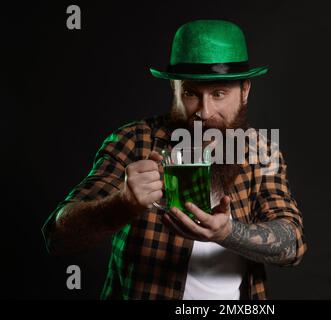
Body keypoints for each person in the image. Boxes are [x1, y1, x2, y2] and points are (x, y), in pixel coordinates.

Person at [42, 19, 307, 300]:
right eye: (191, 93)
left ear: (245, 92)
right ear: (174, 89)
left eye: (219, 94)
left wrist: (228, 233)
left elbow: (293, 243)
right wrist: (121, 205)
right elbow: (58, 238)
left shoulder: (260, 150)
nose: (204, 112)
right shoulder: (133, 141)